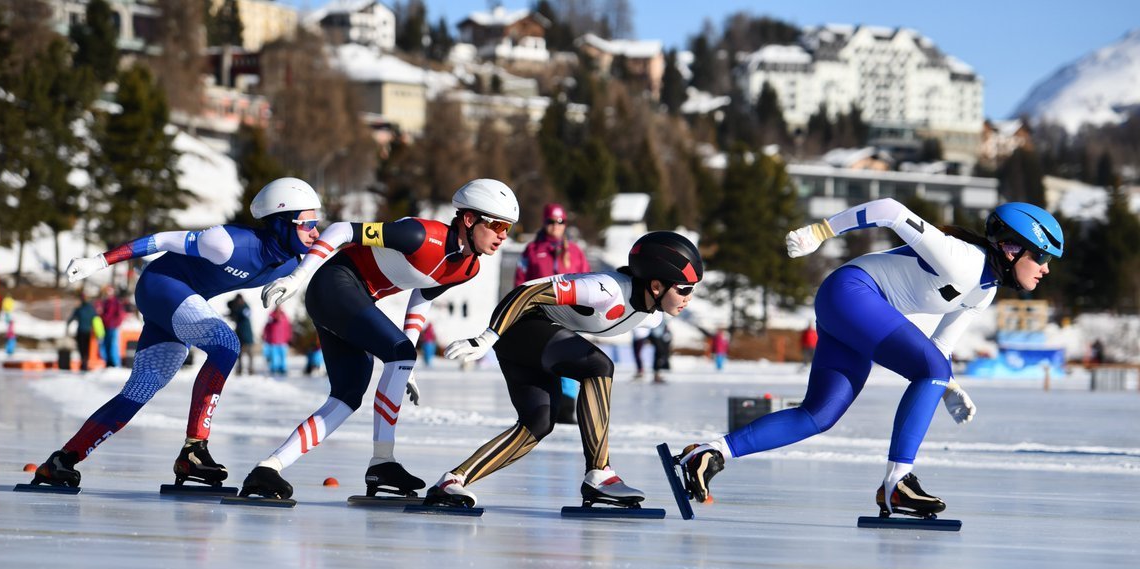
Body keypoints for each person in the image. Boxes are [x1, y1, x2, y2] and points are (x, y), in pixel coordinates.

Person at [678, 200, 1064, 518]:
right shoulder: (961, 259)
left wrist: (947, 385)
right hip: (852, 292)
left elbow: (939, 350)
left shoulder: (984, 291)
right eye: (1042, 256)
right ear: (1010, 248)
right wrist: (821, 232)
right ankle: (898, 483)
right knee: (930, 370)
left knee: (819, 415)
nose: (1046, 268)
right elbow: (891, 211)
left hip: (856, 309)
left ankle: (709, 452)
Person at [29, 177, 323, 489]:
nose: (315, 231)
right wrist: (99, 261)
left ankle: (62, 461)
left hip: (183, 305)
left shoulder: (293, 261)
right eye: (308, 223)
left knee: (138, 391)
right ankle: (195, 448)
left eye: (317, 222)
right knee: (226, 344)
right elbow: (162, 240)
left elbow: (339, 240)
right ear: (280, 223)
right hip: (161, 285)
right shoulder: (228, 242)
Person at [238, 178, 519, 501]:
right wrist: (297, 277)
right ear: (468, 219)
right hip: (334, 284)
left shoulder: (468, 268)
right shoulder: (420, 235)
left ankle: (269, 468)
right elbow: (343, 230)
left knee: (347, 396)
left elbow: (422, 296)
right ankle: (383, 460)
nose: (502, 235)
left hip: (356, 299)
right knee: (397, 355)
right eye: (497, 224)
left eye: (508, 229)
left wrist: (407, 356)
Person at [424, 231, 703, 509]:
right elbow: (527, 292)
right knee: (599, 366)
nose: (689, 297)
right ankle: (600, 473)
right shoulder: (606, 288)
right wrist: (487, 337)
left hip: (532, 342)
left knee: (538, 423)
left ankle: (452, 481)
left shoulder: (651, 319)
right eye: (685, 289)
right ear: (656, 286)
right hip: (519, 322)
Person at [515, 203, 590, 423]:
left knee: (569, 356)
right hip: (540, 314)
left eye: (560, 222)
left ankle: (567, 405)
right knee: (542, 358)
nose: (555, 226)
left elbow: (588, 280)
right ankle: (542, 403)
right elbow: (520, 282)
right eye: (551, 222)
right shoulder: (532, 250)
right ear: (544, 222)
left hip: (569, 314)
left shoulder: (575, 251)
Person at [96, 285, 128, 367]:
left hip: (112, 326)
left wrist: (102, 315)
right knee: (106, 344)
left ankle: (114, 363)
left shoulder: (114, 302)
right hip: (107, 326)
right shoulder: (106, 302)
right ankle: (109, 362)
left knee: (112, 345)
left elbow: (113, 315)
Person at [67, 292, 99, 372]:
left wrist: (67, 326)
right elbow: (96, 319)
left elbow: (71, 319)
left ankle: (83, 363)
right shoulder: (92, 309)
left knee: (81, 348)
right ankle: (85, 363)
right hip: (88, 332)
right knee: (87, 349)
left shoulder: (79, 309)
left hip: (81, 331)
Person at [226, 294, 256, 375]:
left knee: (250, 354)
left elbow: (245, 315)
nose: (238, 302)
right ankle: (239, 370)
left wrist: (234, 313)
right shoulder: (237, 308)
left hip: (247, 335)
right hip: (239, 335)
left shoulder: (245, 307)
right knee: (239, 355)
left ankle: (251, 370)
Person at [262, 306, 292, 375]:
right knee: (274, 356)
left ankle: (282, 368)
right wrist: (265, 336)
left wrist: (289, 337)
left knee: (283, 356)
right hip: (273, 340)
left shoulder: (285, 317)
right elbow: (266, 327)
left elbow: (288, 328)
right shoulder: (271, 317)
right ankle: (274, 368)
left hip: (283, 341)